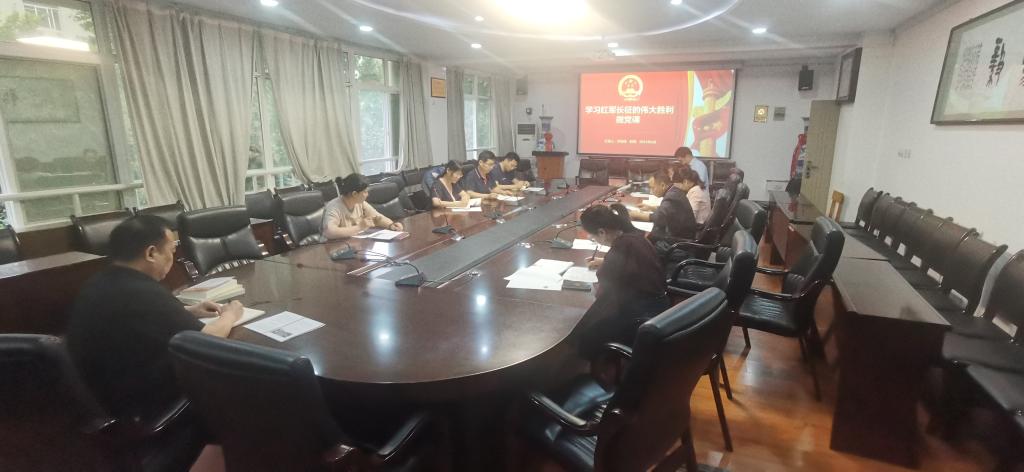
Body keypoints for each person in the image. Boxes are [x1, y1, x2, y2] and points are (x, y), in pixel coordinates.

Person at [66, 215, 246, 420]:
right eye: (171, 250)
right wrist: (230, 315)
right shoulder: (143, 292)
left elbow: (138, 318)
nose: (173, 258)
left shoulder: (102, 281)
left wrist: (189, 310)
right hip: (142, 405)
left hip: (105, 394)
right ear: (151, 253)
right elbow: (208, 339)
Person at [577, 204, 669, 358]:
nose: (593, 240)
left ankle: (602, 366)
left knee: (586, 338)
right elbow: (630, 263)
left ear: (602, 232)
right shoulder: (632, 237)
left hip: (640, 316)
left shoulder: (621, 247)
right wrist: (605, 261)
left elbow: (604, 290)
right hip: (658, 306)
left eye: (593, 237)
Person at [322, 173, 404, 240]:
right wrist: (359, 227)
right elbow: (329, 232)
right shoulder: (334, 207)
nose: (367, 194)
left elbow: (377, 217)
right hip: (334, 248)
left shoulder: (360, 203)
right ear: (354, 194)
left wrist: (391, 225)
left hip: (354, 243)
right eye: (365, 192)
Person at [629, 170, 697, 241]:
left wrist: (637, 215)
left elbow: (659, 217)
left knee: (640, 240)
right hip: (681, 235)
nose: (651, 191)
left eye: (652, 187)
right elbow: (669, 211)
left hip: (678, 240)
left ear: (663, 185)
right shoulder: (673, 191)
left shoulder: (672, 196)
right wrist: (651, 208)